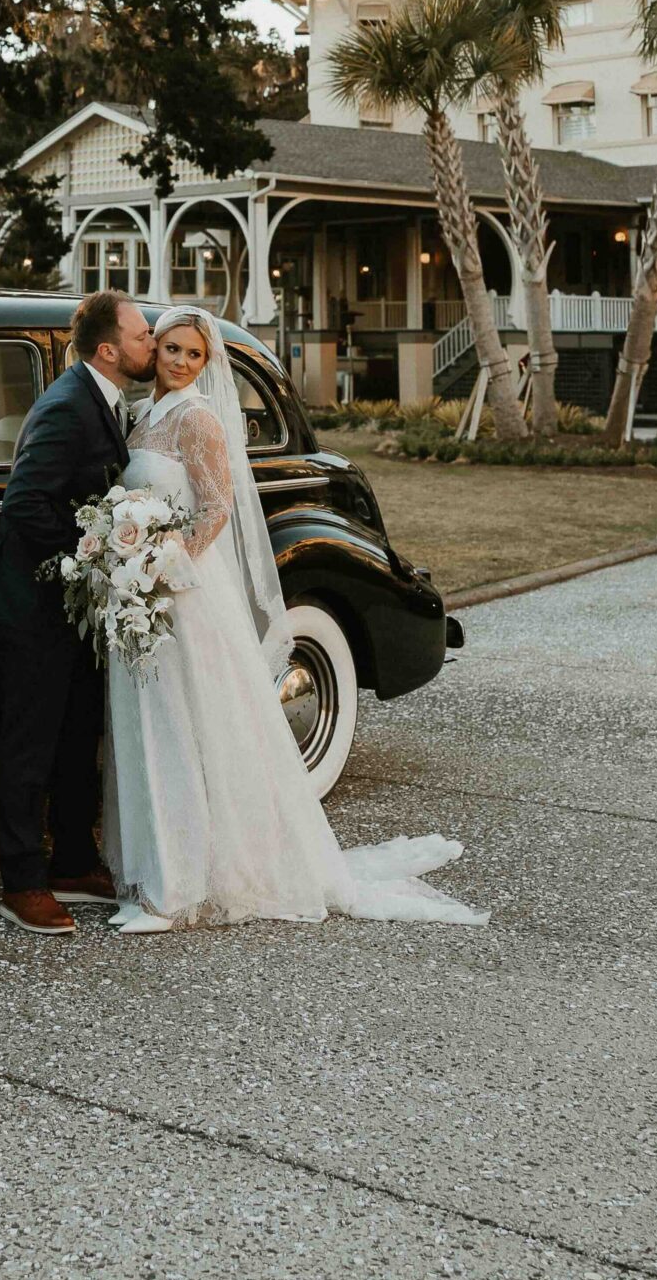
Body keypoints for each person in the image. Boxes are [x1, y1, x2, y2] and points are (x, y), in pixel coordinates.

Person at [101, 305, 488, 933]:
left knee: (185, 724)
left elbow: (217, 507)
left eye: (192, 354)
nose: (178, 362)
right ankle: (152, 869)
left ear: (206, 363)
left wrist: (165, 563)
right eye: (170, 349)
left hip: (181, 591)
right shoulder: (142, 414)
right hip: (140, 589)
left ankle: (175, 890)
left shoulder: (197, 418)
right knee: (148, 724)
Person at [0, 290, 155, 933]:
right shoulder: (65, 406)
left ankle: (74, 858)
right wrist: (95, 553)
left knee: (80, 735)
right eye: (141, 337)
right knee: (30, 744)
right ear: (109, 350)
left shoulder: (104, 401)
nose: (151, 345)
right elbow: (24, 505)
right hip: (30, 607)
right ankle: (21, 880)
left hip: (75, 608)